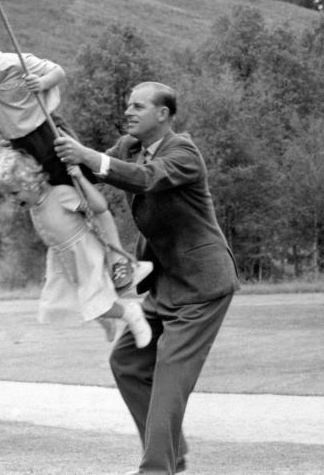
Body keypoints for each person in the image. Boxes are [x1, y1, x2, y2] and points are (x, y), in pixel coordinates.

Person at [55, 81, 239, 475]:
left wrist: (87, 155)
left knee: (170, 379)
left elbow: (144, 178)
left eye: (138, 106)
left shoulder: (184, 152)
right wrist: (42, 127)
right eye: (127, 105)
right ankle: (174, 452)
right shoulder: (129, 147)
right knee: (128, 362)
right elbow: (85, 167)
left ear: (164, 115)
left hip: (202, 285)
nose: (128, 112)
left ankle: (157, 469)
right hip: (164, 283)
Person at [0, 31, 137, 292]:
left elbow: (58, 72)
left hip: (49, 133)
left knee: (87, 198)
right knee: (49, 203)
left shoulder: (14, 63)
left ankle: (118, 259)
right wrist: (13, 135)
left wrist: (42, 83)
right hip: (23, 145)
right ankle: (85, 264)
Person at [0, 147, 153, 346]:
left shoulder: (60, 195)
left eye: (15, 192)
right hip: (65, 259)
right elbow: (51, 237)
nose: (13, 199)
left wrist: (81, 180)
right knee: (67, 304)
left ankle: (131, 314)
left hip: (84, 253)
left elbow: (98, 207)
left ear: (30, 182)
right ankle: (107, 321)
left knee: (93, 300)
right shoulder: (35, 208)